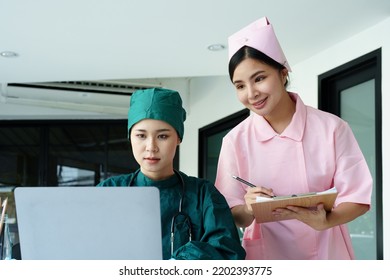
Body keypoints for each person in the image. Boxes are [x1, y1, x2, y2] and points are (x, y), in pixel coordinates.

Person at [214, 17, 372, 259]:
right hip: (267, 256)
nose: (251, 93)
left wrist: (326, 221)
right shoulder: (235, 141)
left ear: (283, 73)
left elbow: (358, 198)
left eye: (259, 78)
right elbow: (232, 214)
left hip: (327, 252)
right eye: (240, 86)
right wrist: (248, 207)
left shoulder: (332, 128)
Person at [97, 87, 246, 260]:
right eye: (141, 136)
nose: (151, 147)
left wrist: (178, 265)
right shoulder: (108, 192)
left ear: (178, 138)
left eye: (162, 136)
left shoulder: (203, 194)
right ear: (130, 138)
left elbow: (227, 251)